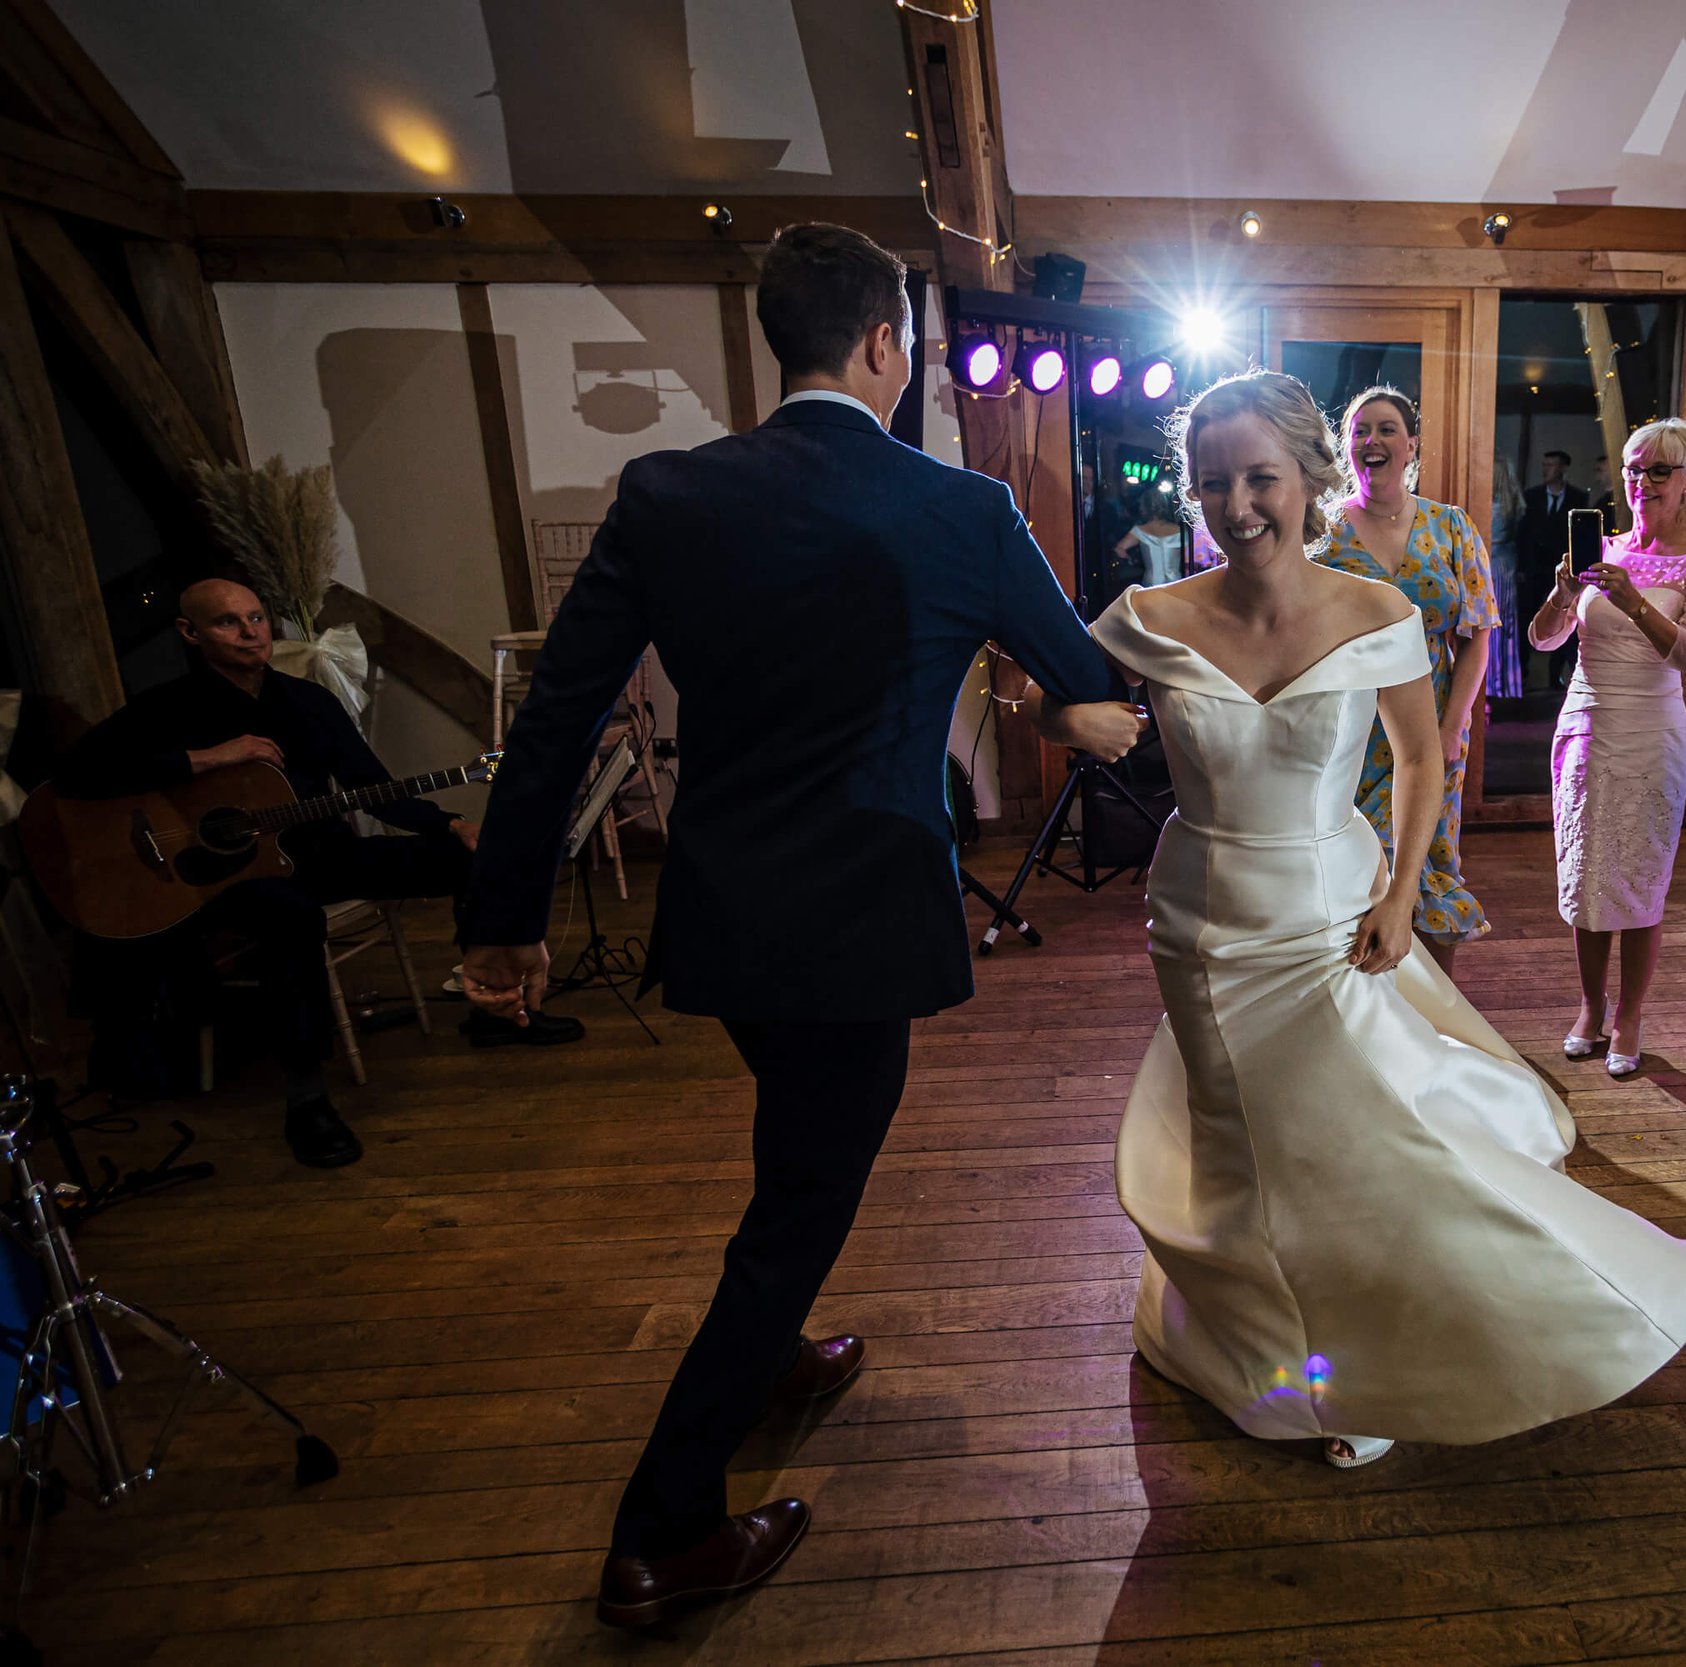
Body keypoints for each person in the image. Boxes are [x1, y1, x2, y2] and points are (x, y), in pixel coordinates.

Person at [457, 223, 1147, 1628]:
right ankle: (660, 1533)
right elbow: (1085, 676)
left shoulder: (665, 492)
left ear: (786, 342)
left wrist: (506, 917)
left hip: (717, 912)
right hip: (856, 926)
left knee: (795, 1150)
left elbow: (558, 718)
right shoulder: (961, 509)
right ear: (888, 345)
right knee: (800, 1204)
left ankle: (767, 1350)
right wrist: (1095, 711)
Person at [1091, 368, 1686, 1471]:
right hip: (1196, 925)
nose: (1237, 504)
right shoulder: (1151, 616)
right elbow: (1057, 685)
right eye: (1212, 484)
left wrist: (1399, 894)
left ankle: (1369, 1358)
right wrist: (1065, 709)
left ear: (1310, 480)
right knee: (1239, 1149)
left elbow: (1423, 753)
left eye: (1261, 477)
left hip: (1326, 921)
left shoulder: (1375, 610)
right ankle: (1269, 1354)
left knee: (1349, 1143)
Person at [50, 576, 577, 1169]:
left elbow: (374, 789)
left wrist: (450, 823)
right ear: (189, 632)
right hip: (226, 879)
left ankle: (497, 1006)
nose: (251, 632)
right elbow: (76, 773)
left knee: (474, 859)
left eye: (256, 618)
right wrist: (207, 758)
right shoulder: (167, 707)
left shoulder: (307, 703)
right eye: (229, 622)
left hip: (322, 855)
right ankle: (306, 1100)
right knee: (290, 915)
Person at [1527, 418, 1686, 1078]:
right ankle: (1590, 1003)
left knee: (1641, 877)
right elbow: (1543, 641)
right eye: (1634, 469)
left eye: (1659, 470)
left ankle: (1632, 1013)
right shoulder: (1600, 548)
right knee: (1587, 870)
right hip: (1587, 720)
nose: (1643, 482)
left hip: (1651, 729)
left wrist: (1635, 599)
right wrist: (1564, 593)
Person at [1314, 386, 1497, 970]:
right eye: (1360, 430)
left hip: (1435, 723)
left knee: (1429, 861)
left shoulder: (1451, 527)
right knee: (1354, 862)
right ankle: (1363, 1016)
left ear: (1411, 444)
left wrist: (1451, 726)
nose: (1373, 440)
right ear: (1347, 449)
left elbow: (1477, 633)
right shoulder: (1322, 533)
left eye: (1387, 429)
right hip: (1347, 724)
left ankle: (1437, 1023)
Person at [1518, 450, 1591, 689]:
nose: (1545, 469)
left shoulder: (1579, 498)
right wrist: (1524, 567)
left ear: (1563, 468)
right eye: (1544, 464)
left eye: (1551, 465)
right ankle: (1524, 673)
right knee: (1529, 620)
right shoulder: (1531, 496)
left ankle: (1556, 676)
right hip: (1535, 569)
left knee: (1566, 619)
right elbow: (1524, 535)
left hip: (1565, 571)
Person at [1485, 455, 1526, 699]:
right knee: (1505, 624)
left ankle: (1492, 685)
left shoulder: (1494, 506)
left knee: (1491, 627)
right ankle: (1503, 685)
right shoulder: (1513, 504)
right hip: (1506, 563)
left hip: (1492, 563)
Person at [1113, 485, 1189, 589]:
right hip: (1176, 583)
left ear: (1143, 507)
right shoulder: (1180, 531)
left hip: (1151, 584)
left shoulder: (1139, 531)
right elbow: (1189, 559)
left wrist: (1131, 560)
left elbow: (1119, 549)